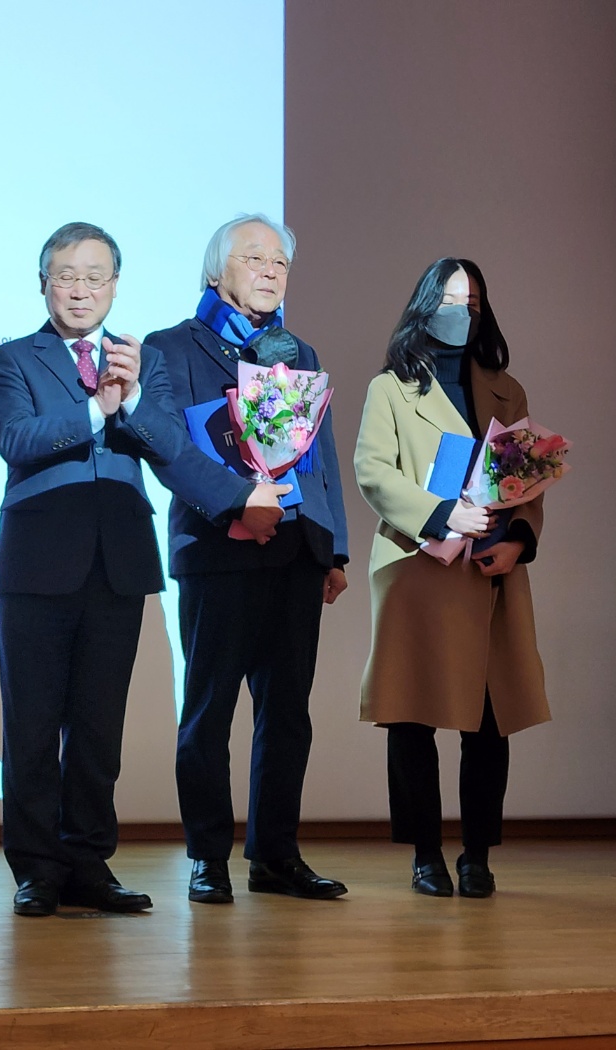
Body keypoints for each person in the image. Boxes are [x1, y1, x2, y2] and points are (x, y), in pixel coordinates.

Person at [144, 213, 350, 904]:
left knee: (288, 713)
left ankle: (276, 855)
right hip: (217, 549)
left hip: (296, 552)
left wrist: (333, 548)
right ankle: (208, 857)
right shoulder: (171, 347)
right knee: (209, 712)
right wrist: (239, 502)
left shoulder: (299, 351)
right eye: (254, 258)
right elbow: (169, 448)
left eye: (279, 262)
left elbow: (320, 454)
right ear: (216, 272)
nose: (270, 271)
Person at [0, 222, 186, 918]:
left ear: (115, 286)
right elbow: (16, 439)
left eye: (94, 277)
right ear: (44, 283)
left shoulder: (142, 361)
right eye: (66, 276)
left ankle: (89, 862)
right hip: (37, 566)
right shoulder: (13, 358)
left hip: (118, 565)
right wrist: (95, 408)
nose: (80, 289)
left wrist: (131, 399)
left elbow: (169, 445)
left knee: (100, 729)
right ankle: (37, 868)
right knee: (33, 728)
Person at [354, 258, 549, 898]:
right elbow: (374, 472)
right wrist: (442, 514)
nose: (461, 311)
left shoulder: (506, 389)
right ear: (424, 303)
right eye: (449, 299)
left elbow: (526, 481)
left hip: (489, 572)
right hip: (418, 569)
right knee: (412, 718)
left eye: (472, 302)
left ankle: (477, 856)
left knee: (489, 722)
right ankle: (425, 855)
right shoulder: (391, 388)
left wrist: (517, 540)